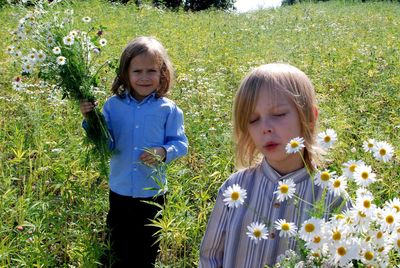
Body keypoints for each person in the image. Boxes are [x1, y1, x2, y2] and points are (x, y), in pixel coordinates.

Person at [199, 63, 339, 267]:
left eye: (279, 114)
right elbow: (210, 257)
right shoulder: (235, 188)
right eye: (253, 120)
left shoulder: (331, 196)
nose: (265, 128)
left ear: (309, 117)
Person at [80, 36, 188, 267]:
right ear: (125, 74)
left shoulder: (168, 110)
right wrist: (90, 119)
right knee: (116, 245)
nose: (144, 77)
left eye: (152, 70)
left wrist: (163, 151)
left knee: (146, 250)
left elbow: (181, 144)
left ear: (163, 74)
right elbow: (106, 145)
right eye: (137, 71)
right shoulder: (112, 106)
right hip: (119, 190)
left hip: (152, 193)